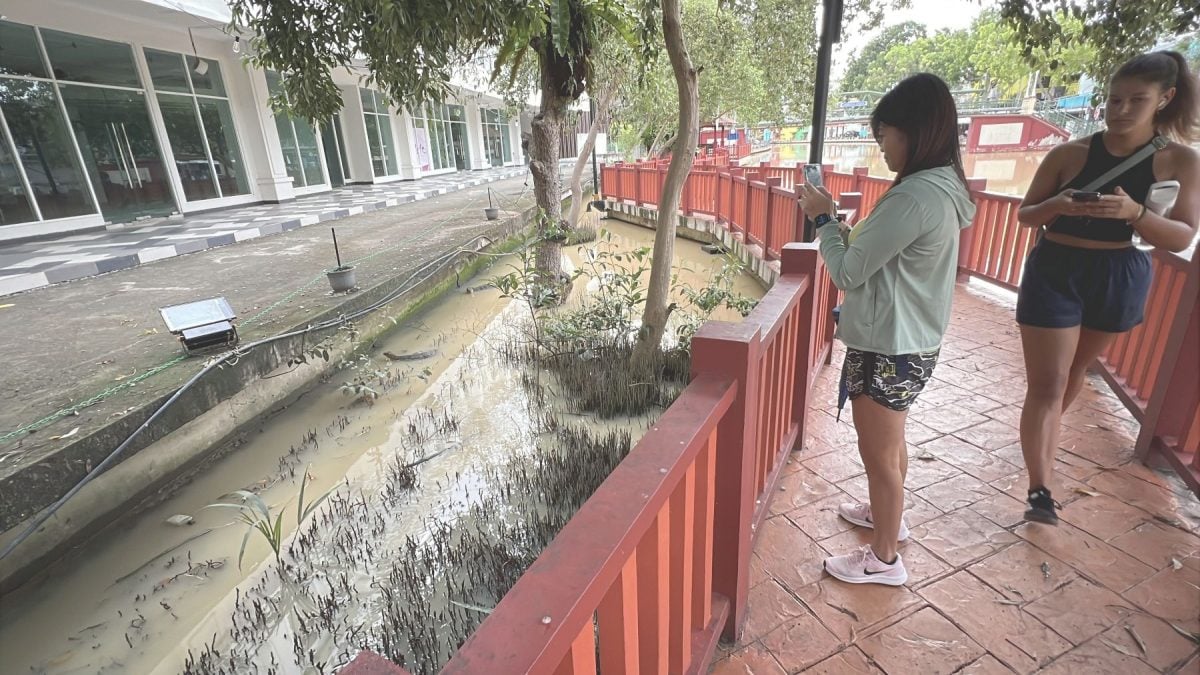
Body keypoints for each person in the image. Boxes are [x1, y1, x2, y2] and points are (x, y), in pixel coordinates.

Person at [799, 73, 976, 586]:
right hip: (913, 338)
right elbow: (888, 256)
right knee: (891, 441)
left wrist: (824, 222)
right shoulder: (943, 187)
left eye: (886, 137)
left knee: (878, 454)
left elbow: (849, 271)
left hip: (890, 343)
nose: (883, 149)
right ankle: (885, 520)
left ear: (914, 132)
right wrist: (847, 230)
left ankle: (884, 559)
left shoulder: (914, 196)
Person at [1014, 51, 1198, 524]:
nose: (1121, 110)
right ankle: (1040, 489)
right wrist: (1059, 203)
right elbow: (1026, 215)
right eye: (1115, 99)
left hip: (1119, 273)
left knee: (1074, 370)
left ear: (1165, 99)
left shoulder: (1180, 161)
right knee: (1049, 381)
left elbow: (1182, 235)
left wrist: (1135, 214)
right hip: (1056, 265)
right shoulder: (1070, 153)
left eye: (1137, 100)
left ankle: (1043, 438)